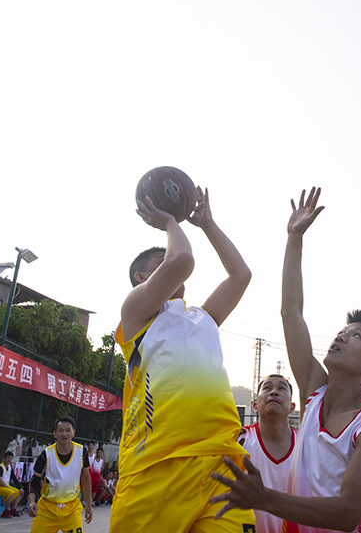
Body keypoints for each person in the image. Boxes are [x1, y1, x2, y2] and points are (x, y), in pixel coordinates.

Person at [210, 187, 361, 533]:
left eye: (356, 336)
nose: (341, 336)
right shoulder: (313, 392)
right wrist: (294, 238)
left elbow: (348, 514)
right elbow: (291, 311)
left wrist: (264, 498)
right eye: (343, 331)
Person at [109, 186, 255, 533]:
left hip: (221, 464)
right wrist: (169, 222)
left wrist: (208, 224)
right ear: (141, 278)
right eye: (160, 260)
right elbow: (182, 261)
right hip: (157, 466)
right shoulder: (136, 314)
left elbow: (241, 275)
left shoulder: (202, 318)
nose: (171, 258)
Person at [237, 374, 297, 533]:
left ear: (292, 407)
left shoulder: (305, 446)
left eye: (281, 388)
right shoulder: (239, 441)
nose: (274, 392)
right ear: (255, 406)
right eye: (267, 388)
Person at [26, 416, 92, 533]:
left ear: (73, 433)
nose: (64, 434)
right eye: (61, 430)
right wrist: (31, 502)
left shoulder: (82, 452)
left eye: (68, 430)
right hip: (47, 509)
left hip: (71, 509)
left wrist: (89, 504)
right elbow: (34, 482)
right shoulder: (46, 455)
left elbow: (86, 477)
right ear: (55, 434)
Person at [0, 451, 23, 518]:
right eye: (7, 458)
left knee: (20, 492)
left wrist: (20, 487)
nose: (9, 460)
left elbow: (14, 478)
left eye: (10, 458)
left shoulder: (10, 467)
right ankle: (6, 511)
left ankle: (13, 509)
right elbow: (0, 481)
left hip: (5, 486)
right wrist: (8, 487)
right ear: (4, 458)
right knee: (11, 493)